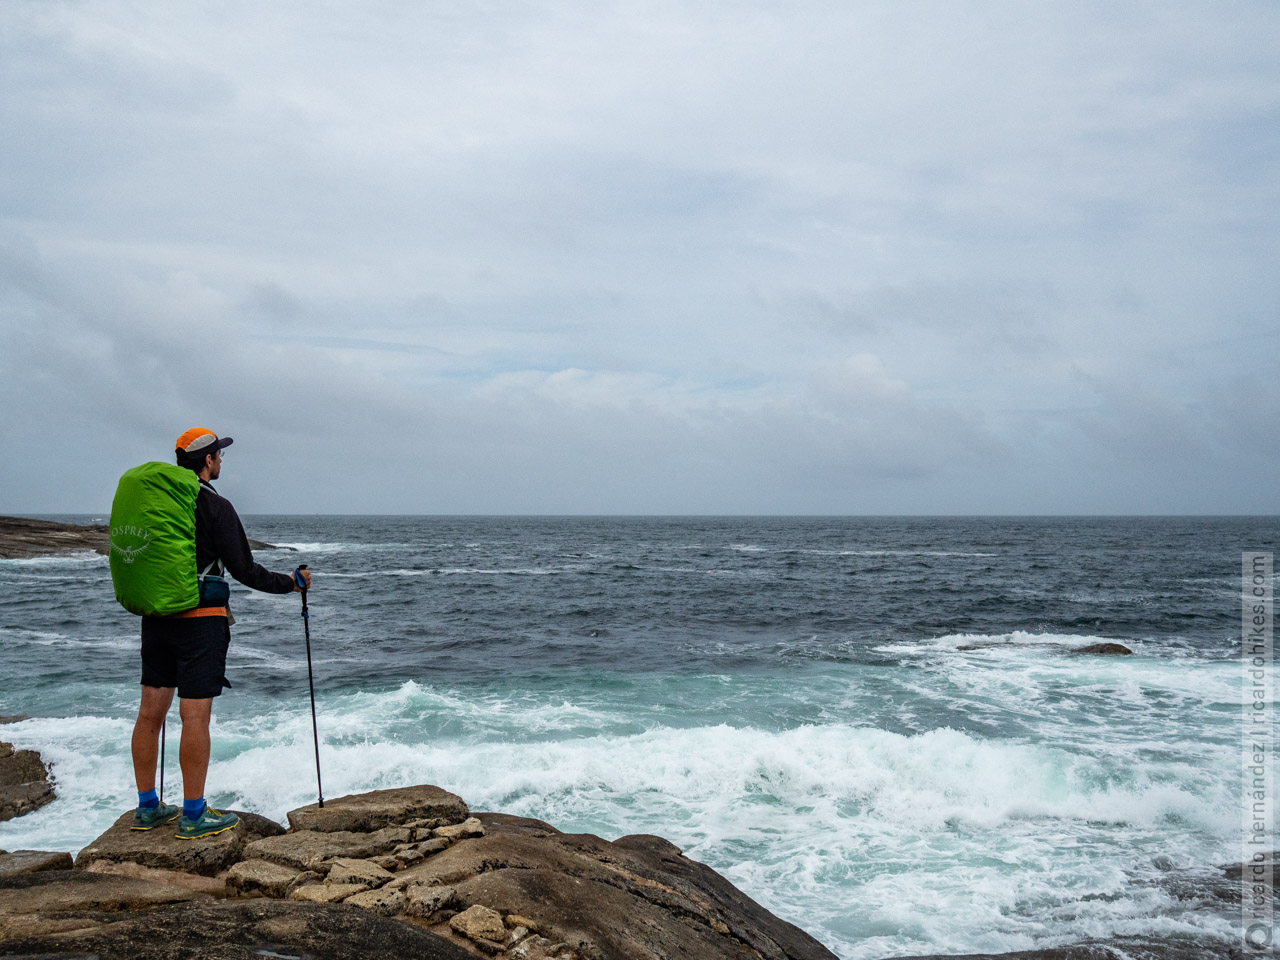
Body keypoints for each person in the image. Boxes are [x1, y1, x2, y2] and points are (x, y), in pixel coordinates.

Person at [129, 428, 310, 839]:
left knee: (148, 714)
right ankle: (193, 815)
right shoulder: (215, 506)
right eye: (219, 455)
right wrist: (292, 582)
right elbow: (245, 570)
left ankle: (147, 807)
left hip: (156, 618)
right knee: (194, 716)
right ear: (207, 461)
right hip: (201, 621)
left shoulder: (159, 505)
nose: (222, 461)